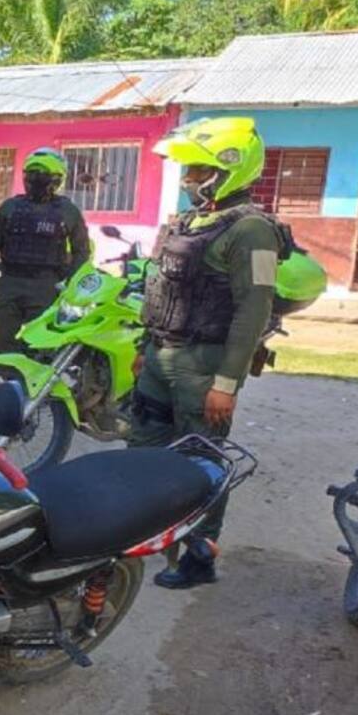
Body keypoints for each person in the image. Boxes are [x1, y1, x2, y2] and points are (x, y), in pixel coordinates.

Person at [132, 117, 284, 589]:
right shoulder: (188, 222)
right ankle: (146, 534)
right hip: (161, 356)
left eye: (199, 170)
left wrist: (227, 382)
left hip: (205, 366)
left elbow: (253, 310)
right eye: (189, 170)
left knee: (200, 461)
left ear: (230, 170)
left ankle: (200, 557)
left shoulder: (252, 231)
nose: (189, 180)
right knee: (144, 449)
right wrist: (143, 347)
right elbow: (158, 289)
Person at [0, 148, 90, 353]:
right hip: (11, 283)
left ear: (56, 179)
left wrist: (70, 285)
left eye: (43, 175)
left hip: (46, 286)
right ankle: (8, 374)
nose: (37, 179)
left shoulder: (68, 211)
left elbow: (81, 252)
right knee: (3, 341)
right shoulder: (10, 207)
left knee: (40, 346)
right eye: (33, 174)